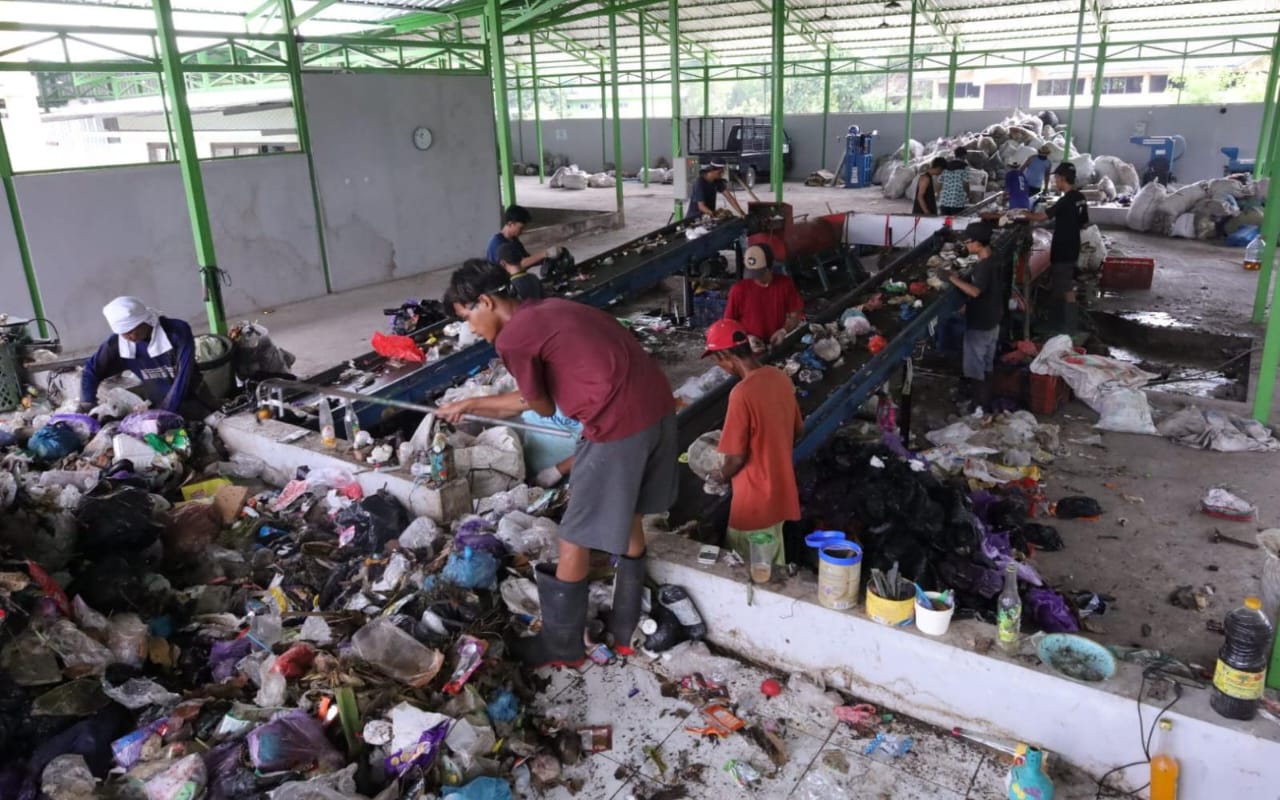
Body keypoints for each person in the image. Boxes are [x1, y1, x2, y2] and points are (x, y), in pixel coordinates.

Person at [436, 260, 677, 667]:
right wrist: (472, 403)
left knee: (573, 535)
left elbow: (541, 406)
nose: (472, 330)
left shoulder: (512, 339)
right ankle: (623, 632)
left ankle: (561, 648)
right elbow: (530, 397)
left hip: (617, 424)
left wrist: (478, 404)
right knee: (632, 515)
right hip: (657, 409)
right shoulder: (549, 309)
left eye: (469, 318)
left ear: (485, 301)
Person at [703, 319, 803, 566]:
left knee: (748, 572)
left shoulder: (741, 394)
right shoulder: (778, 377)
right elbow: (797, 431)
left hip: (753, 503)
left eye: (717, 360)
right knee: (774, 567)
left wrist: (718, 476)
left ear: (726, 355)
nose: (721, 367)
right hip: (780, 492)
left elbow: (736, 457)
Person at [80, 296, 217, 419]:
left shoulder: (176, 332)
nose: (127, 337)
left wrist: (164, 411)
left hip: (195, 400)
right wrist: (87, 404)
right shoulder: (118, 343)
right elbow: (91, 370)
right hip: (158, 403)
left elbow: (183, 377)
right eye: (122, 333)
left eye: (131, 331)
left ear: (144, 320)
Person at [1021, 162, 1089, 331]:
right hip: (1073, 244)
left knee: (1065, 286)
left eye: (1056, 178)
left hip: (1063, 247)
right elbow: (1083, 222)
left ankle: (1068, 326)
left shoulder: (1065, 201)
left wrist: (1021, 213)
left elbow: (1040, 217)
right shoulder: (1080, 197)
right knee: (1062, 284)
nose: (1055, 182)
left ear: (1062, 178)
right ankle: (1062, 321)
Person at [944, 222, 1004, 409]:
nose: (966, 245)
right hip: (993, 319)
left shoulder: (984, 266)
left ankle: (979, 408)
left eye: (968, 241)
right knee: (986, 365)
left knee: (975, 369)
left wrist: (951, 278)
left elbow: (976, 291)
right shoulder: (993, 258)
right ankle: (985, 404)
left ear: (977, 244)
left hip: (980, 323)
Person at [723, 244, 804, 349]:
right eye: (752, 274)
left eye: (760, 273)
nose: (756, 278)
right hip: (748, 348)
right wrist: (747, 337)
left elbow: (795, 315)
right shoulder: (738, 289)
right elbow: (728, 323)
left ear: (770, 267)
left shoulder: (785, 284)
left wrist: (783, 331)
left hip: (775, 345)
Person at [486, 204, 558, 273]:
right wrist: (544, 254)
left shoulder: (514, 240)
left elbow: (527, 259)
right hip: (501, 282)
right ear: (510, 224)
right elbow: (519, 265)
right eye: (521, 228)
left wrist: (547, 258)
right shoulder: (497, 243)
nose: (523, 231)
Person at [938, 146, 970, 215]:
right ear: (964, 155)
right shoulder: (965, 167)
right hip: (957, 201)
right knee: (955, 223)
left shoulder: (946, 166)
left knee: (944, 222)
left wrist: (938, 195)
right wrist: (968, 194)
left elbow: (939, 182)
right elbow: (965, 184)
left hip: (944, 200)